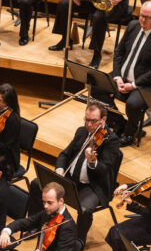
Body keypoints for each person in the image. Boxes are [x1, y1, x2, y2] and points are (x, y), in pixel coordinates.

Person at [32, 101, 120, 241]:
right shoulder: (82, 131)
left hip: (92, 185)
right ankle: (35, 226)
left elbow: (104, 169)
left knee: (85, 208)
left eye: (93, 121)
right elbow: (64, 155)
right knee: (38, 183)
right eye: (87, 119)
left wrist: (93, 162)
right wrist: (60, 170)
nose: (89, 125)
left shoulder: (112, 141)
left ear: (103, 120)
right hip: (71, 178)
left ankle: (78, 241)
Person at [107, 0, 151, 145]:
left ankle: (130, 134)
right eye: (141, 15)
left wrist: (133, 85)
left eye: (147, 17)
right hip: (123, 77)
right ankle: (120, 123)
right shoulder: (133, 26)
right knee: (97, 87)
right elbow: (119, 52)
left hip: (146, 84)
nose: (143, 20)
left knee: (133, 104)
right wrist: (117, 76)